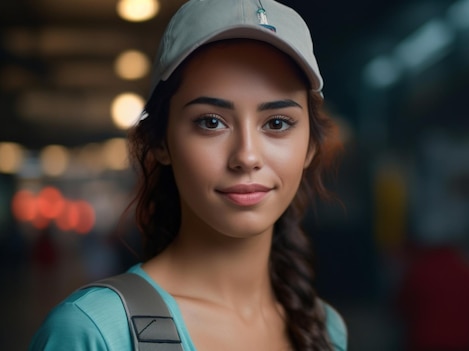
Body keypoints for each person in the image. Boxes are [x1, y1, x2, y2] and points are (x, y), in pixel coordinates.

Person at [29, 0, 347, 349]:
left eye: (277, 123)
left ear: (311, 148)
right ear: (161, 142)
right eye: (211, 122)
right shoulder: (94, 332)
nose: (246, 156)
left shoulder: (325, 329)